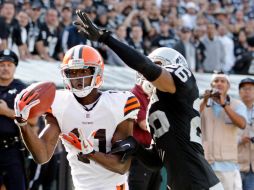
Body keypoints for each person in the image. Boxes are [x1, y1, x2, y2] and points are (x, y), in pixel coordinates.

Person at [73, 10, 223, 190]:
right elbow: (157, 161)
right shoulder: (156, 105)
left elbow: (146, 67)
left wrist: (107, 39)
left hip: (200, 182)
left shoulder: (183, 83)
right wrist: (136, 147)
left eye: (158, 65)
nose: (147, 75)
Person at [14, 44, 140, 190]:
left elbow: (122, 166)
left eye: (83, 71)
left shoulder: (119, 103)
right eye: (72, 72)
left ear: (97, 72)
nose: (78, 77)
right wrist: (22, 124)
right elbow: (42, 156)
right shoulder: (59, 103)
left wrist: (90, 152)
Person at [200, 72, 247, 190]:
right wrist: (204, 100)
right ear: (211, 85)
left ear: (228, 86)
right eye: (216, 81)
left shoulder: (238, 105)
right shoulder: (202, 103)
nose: (219, 83)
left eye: (223, 81)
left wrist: (224, 105)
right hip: (206, 163)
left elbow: (242, 124)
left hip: (227, 166)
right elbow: (192, 117)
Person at [0, 49, 36, 190]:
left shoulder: (22, 90)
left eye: (9, 65)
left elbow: (32, 120)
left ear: (15, 67)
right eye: (2, 64)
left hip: (12, 149)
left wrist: (6, 112)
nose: (5, 68)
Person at [128, 74, 161, 190]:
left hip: (154, 150)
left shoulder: (154, 93)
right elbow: (143, 124)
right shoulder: (135, 94)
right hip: (141, 152)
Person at [238, 78, 254, 190]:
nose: (247, 91)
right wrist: (240, 140)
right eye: (244, 88)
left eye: (250, 88)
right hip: (235, 165)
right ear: (239, 92)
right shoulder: (232, 109)